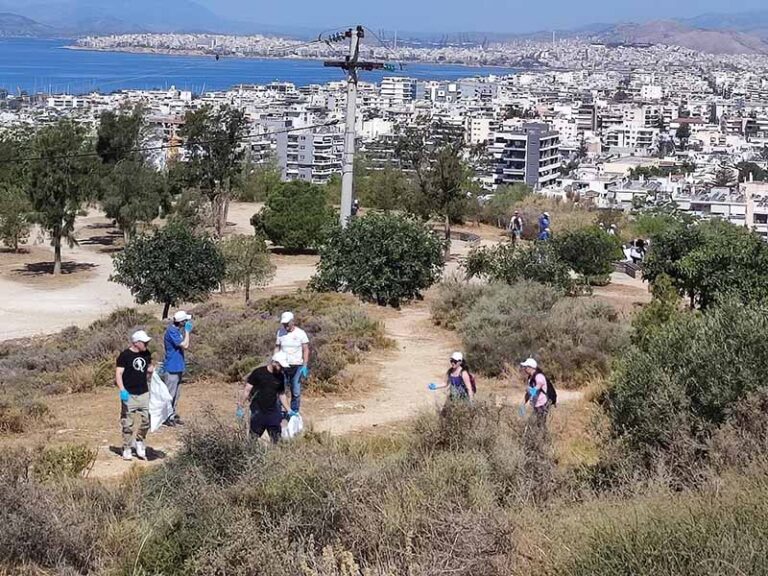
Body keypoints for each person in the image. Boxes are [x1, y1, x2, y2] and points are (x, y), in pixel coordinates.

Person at [236, 352, 293, 444]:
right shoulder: (258, 373)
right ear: (274, 362)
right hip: (258, 411)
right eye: (280, 366)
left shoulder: (281, 376)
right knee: (252, 440)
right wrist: (240, 406)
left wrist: (289, 410)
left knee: (276, 441)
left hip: (273, 412)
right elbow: (247, 390)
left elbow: (281, 394)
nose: (282, 369)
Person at [116, 330, 154, 461]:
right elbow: (119, 373)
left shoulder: (146, 354)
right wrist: (122, 390)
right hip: (129, 393)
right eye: (144, 342)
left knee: (147, 419)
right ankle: (127, 447)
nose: (146, 344)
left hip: (144, 392)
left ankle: (139, 441)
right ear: (136, 343)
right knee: (127, 423)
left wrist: (151, 371)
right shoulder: (124, 355)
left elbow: (148, 369)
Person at [275, 311, 310, 413]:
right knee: (280, 390)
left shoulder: (300, 333)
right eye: (283, 324)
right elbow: (277, 347)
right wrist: (275, 360)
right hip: (283, 366)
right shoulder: (280, 332)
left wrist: (305, 365)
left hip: (297, 366)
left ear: (292, 322)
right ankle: (279, 412)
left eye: (287, 323)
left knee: (296, 392)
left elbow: (306, 349)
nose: (285, 325)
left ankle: (294, 412)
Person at [163, 310, 192, 426]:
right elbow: (185, 345)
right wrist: (187, 332)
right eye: (185, 321)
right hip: (172, 367)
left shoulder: (176, 331)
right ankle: (166, 417)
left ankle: (172, 415)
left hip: (178, 366)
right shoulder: (172, 331)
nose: (187, 322)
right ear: (181, 322)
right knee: (170, 394)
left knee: (176, 394)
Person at [519, 358, 551, 427]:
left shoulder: (539, 376)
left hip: (542, 405)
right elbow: (529, 393)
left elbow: (537, 387)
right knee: (537, 425)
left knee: (539, 424)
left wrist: (530, 390)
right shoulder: (530, 378)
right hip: (536, 405)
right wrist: (522, 404)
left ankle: (542, 434)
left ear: (530, 367)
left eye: (526, 367)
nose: (524, 369)